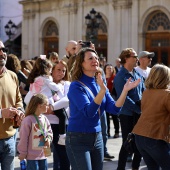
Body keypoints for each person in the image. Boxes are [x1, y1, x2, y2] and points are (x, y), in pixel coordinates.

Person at [65, 47, 140, 170]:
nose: (95, 60)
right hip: (78, 138)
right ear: (81, 64)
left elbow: (115, 109)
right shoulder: (76, 86)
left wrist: (125, 91)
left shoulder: (99, 83)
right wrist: (102, 91)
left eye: (96, 58)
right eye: (90, 58)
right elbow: (89, 112)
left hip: (97, 137)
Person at [133, 64, 170, 170]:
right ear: (165, 77)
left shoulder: (146, 92)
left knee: (152, 167)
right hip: (155, 136)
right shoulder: (166, 94)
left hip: (140, 135)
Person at [114, 48, 146, 170]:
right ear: (126, 58)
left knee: (139, 143)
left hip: (139, 113)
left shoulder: (137, 74)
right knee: (127, 143)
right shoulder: (120, 76)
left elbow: (143, 91)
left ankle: (135, 167)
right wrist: (138, 110)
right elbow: (124, 98)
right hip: (127, 114)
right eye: (134, 56)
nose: (137, 58)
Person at [25, 57, 66, 145]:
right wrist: (60, 85)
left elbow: (27, 97)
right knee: (62, 116)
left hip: (39, 104)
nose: (51, 71)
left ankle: (39, 143)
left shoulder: (35, 80)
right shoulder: (45, 79)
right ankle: (62, 136)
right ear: (46, 69)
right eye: (51, 69)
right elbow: (55, 87)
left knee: (40, 124)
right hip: (48, 103)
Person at [0, 40, 25, 170]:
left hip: (10, 138)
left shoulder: (13, 76)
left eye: (4, 50)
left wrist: (20, 110)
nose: (2, 53)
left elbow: (18, 100)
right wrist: (1, 113)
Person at [17, 93, 53, 170]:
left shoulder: (44, 119)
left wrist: (49, 139)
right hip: (32, 157)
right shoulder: (28, 120)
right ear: (39, 105)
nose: (48, 106)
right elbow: (24, 138)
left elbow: (49, 131)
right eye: (46, 104)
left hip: (43, 155)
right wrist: (22, 153)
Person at [46, 60, 71, 170]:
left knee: (63, 156)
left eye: (63, 70)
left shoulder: (67, 84)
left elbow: (67, 100)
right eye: (58, 70)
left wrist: (51, 107)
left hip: (61, 126)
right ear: (52, 70)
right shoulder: (45, 82)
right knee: (40, 154)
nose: (61, 72)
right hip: (44, 124)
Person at [103, 63, 120, 138]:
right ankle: (107, 131)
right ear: (105, 70)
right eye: (108, 68)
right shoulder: (102, 78)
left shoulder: (115, 77)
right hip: (104, 98)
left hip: (113, 98)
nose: (109, 70)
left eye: (111, 68)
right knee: (106, 117)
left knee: (114, 116)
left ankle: (116, 131)